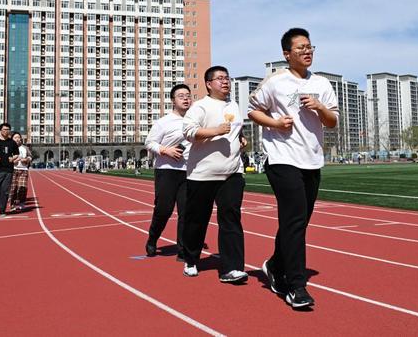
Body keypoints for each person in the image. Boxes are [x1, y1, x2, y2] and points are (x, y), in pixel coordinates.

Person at [248, 27, 339, 309]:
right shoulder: (275, 82)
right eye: (300, 48)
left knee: (296, 221)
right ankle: (296, 286)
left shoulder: (322, 83)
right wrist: (275, 124)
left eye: (310, 47)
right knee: (296, 220)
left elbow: (333, 121)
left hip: (311, 160)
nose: (307, 51)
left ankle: (275, 265)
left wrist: (320, 108)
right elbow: (252, 110)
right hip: (281, 158)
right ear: (287, 54)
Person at [182, 66, 248, 283]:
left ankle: (232, 268)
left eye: (227, 78)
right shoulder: (200, 107)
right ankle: (191, 259)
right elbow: (189, 132)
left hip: (232, 172)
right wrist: (215, 132)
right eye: (220, 79)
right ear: (209, 84)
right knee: (197, 220)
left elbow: (236, 129)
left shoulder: (234, 105)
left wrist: (241, 140)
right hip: (203, 173)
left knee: (231, 218)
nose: (225, 82)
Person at [144, 84, 192, 261]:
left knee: (186, 212)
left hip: (188, 171)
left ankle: (182, 249)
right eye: (181, 96)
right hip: (166, 171)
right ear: (173, 101)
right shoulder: (164, 122)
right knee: (163, 210)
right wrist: (165, 150)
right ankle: (153, 238)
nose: (186, 98)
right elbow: (149, 143)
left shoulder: (195, 121)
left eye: (188, 95)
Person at [8, 132, 32, 211]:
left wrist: (26, 160)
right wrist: (13, 160)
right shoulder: (9, 148)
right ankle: (12, 204)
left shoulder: (25, 148)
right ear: (12, 139)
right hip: (13, 170)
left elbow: (30, 157)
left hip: (23, 170)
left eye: (18, 137)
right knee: (13, 188)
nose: (17, 139)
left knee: (22, 187)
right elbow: (7, 158)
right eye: (15, 137)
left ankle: (22, 203)